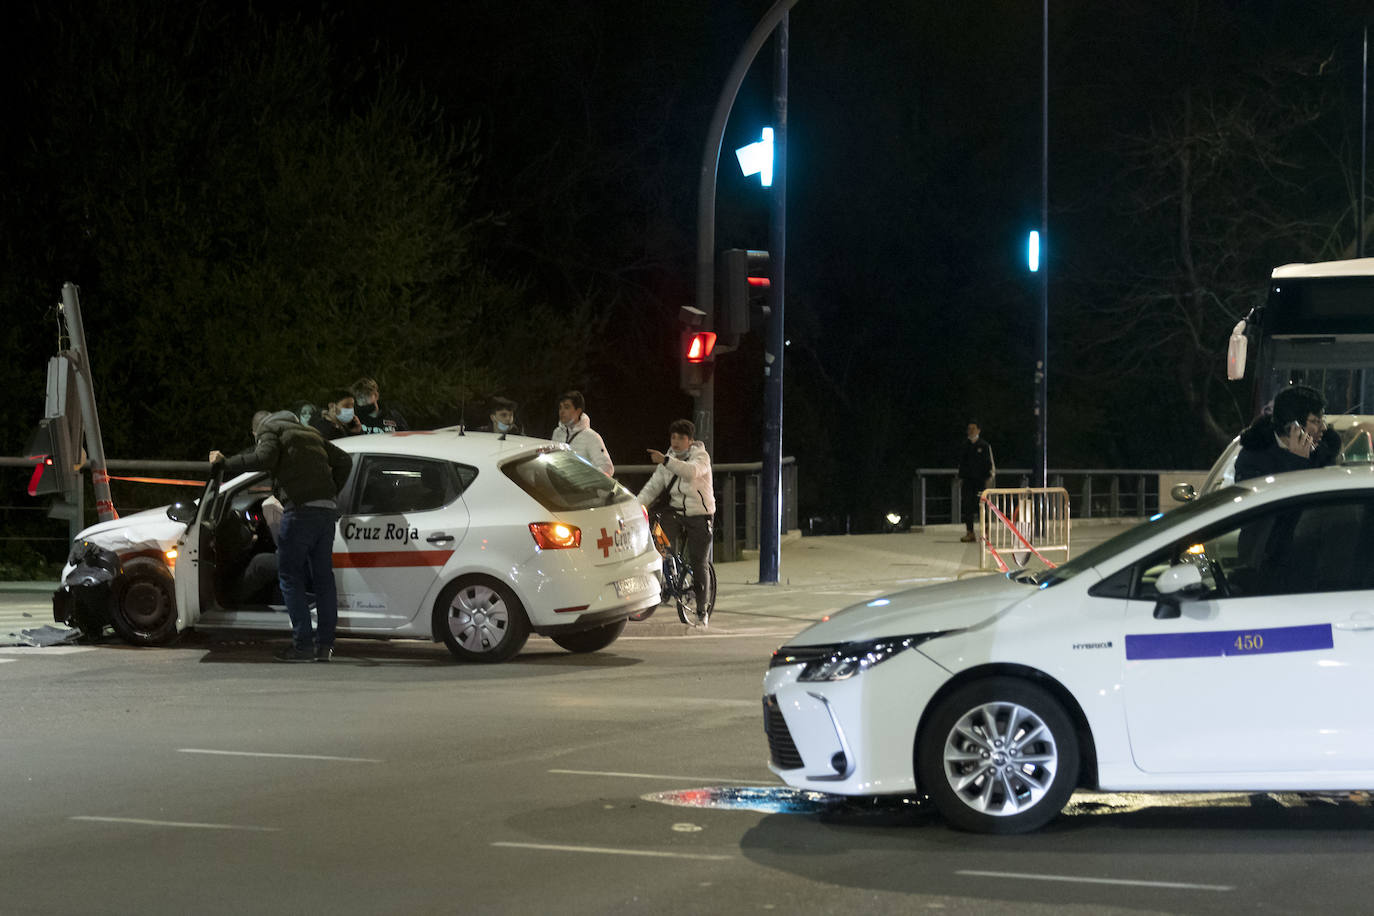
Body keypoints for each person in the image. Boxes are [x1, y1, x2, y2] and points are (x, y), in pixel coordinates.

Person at [210, 409, 353, 662]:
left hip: (300, 511)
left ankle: (302, 647)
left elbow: (263, 459)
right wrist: (329, 492)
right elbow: (344, 461)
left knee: (289, 576)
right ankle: (325, 647)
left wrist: (224, 463)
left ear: (256, 432)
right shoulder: (310, 432)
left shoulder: (270, 430)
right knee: (323, 580)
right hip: (326, 512)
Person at [637, 419, 714, 614]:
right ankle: (666, 577)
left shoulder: (701, 456)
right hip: (676, 512)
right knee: (659, 541)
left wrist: (665, 460)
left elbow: (691, 472)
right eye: (673, 437)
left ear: (690, 440)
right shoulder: (668, 458)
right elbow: (653, 486)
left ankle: (702, 608)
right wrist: (636, 506)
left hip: (700, 514)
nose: (676, 441)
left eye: (681, 437)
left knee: (699, 562)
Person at [1234, 384, 1341, 483]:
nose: (1323, 427)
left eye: (1323, 420)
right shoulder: (1253, 457)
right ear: (1291, 426)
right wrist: (1297, 462)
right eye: (1315, 421)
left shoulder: (1322, 453)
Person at [552, 389, 613, 474]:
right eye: (560, 407)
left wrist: (586, 483)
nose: (562, 411)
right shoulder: (557, 433)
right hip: (560, 486)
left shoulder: (591, 436)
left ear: (578, 411)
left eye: (566, 407)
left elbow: (607, 468)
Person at [957, 420, 995, 542]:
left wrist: (989, 478)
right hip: (967, 481)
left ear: (978, 430)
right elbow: (961, 464)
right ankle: (970, 532)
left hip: (980, 482)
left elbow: (990, 464)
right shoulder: (965, 445)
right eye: (969, 429)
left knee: (982, 507)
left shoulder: (984, 445)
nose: (971, 431)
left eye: (973, 428)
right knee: (967, 507)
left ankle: (986, 532)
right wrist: (960, 477)